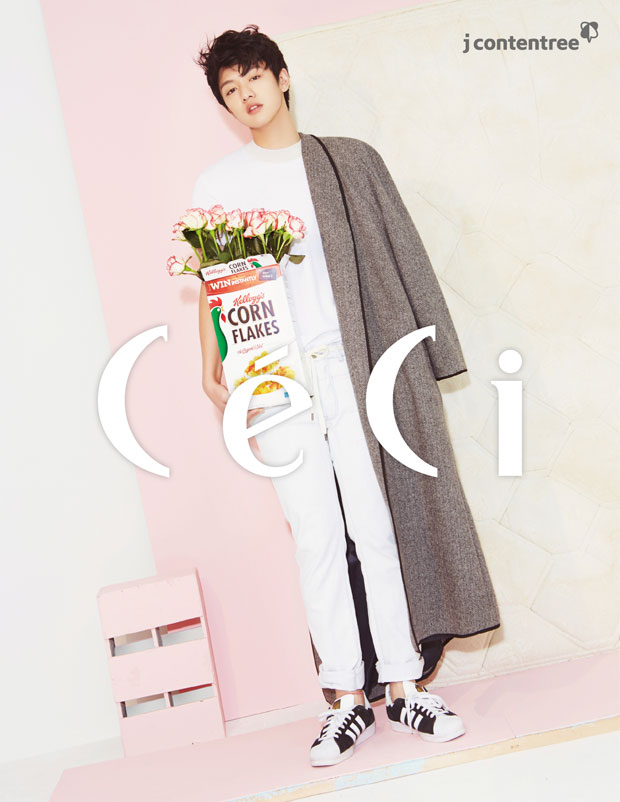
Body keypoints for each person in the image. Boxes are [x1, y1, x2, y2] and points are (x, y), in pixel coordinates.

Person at [193, 24, 467, 767]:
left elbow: (401, 251)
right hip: (272, 377)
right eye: (229, 89)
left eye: (253, 77)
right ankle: (345, 699)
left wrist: (430, 352)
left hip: (348, 363)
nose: (245, 95)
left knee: (375, 523)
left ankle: (404, 685)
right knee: (314, 533)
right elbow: (216, 288)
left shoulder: (345, 161)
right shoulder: (217, 186)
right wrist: (210, 366)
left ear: (282, 77)